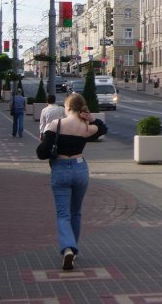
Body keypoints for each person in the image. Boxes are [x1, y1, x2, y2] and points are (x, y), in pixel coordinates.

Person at [36, 93, 107, 271]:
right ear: (82, 108)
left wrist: (45, 140)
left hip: (60, 169)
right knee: (76, 213)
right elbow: (103, 129)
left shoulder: (57, 125)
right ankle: (73, 252)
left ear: (67, 107)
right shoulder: (86, 127)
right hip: (80, 168)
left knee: (63, 214)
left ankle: (67, 247)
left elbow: (41, 153)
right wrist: (92, 118)